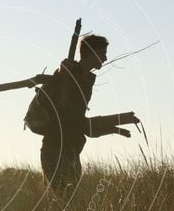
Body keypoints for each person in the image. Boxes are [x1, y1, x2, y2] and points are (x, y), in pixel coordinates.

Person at [39, 34, 139, 196]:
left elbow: (79, 123)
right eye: (102, 53)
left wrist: (116, 126)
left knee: (69, 203)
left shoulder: (87, 80)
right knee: (65, 202)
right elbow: (70, 118)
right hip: (55, 150)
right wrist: (60, 72)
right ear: (91, 53)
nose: (105, 58)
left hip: (72, 151)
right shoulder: (67, 74)